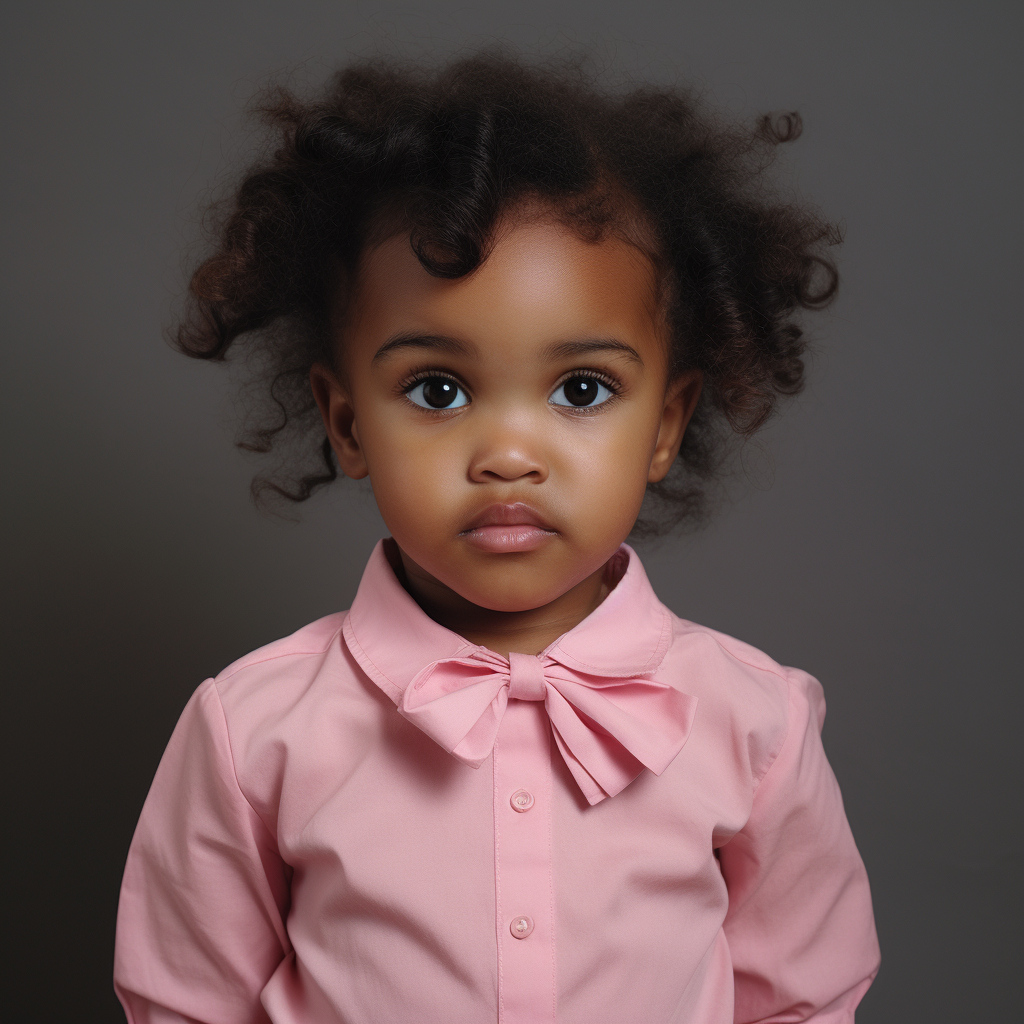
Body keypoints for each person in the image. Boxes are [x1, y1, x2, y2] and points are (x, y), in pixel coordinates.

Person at [113, 51, 880, 1023]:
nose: (508, 454)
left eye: (580, 389)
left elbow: (805, 998)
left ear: (665, 425)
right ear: (347, 423)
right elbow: (186, 1002)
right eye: (438, 389)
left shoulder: (755, 722)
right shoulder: (250, 729)